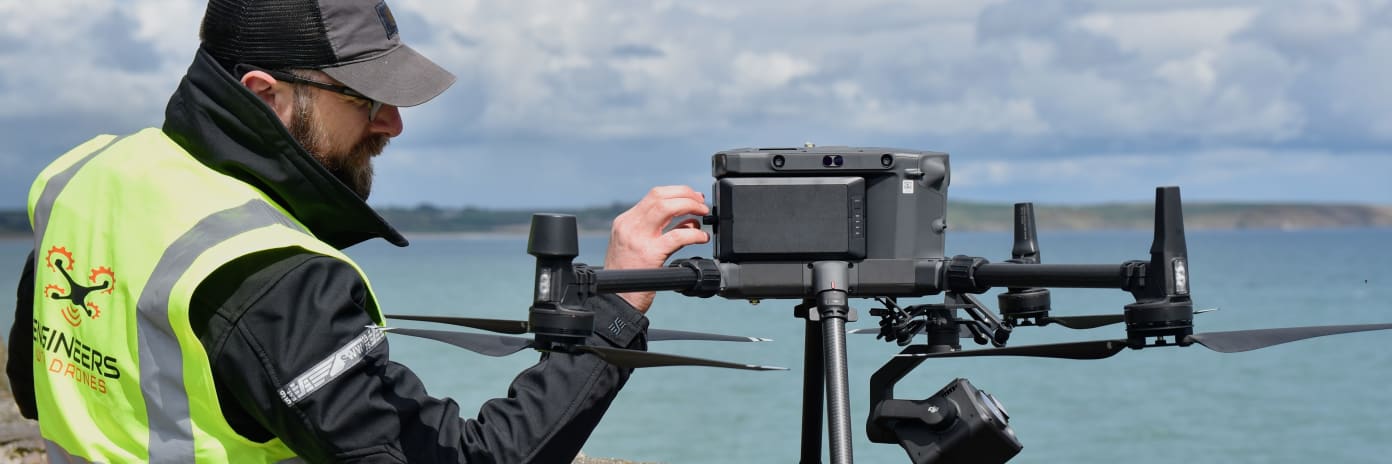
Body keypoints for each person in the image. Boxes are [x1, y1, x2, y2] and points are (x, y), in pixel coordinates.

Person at [5, 0, 709, 462]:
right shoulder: (277, 278)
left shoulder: (86, 174)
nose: (392, 123)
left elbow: (36, 385)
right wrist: (613, 312)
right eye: (365, 97)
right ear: (264, 95)